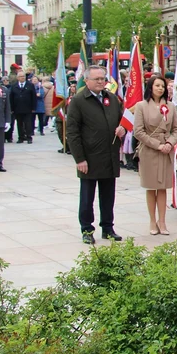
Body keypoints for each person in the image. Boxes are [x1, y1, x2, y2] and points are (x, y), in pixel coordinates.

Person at [66, 65, 126, 245]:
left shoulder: (112, 99)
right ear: (87, 81)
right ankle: (87, 229)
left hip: (109, 155)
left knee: (108, 196)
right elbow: (73, 132)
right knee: (87, 197)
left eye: (103, 78)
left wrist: (122, 129)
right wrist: (80, 159)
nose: (101, 82)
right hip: (89, 158)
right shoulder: (78, 101)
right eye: (97, 79)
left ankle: (108, 228)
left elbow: (120, 119)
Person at [134, 74, 177, 235]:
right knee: (151, 187)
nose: (160, 88)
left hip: (166, 151)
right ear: (150, 87)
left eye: (162, 86)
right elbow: (138, 132)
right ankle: (152, 222)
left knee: (163, 188)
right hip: (149, 150)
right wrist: (157, 145)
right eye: (157, 85)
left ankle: (162, 221)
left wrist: (169, 143)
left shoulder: (171, 106)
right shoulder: (141, 106)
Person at [9, 72, 36, 144]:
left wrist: (33, 107)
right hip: (17, 108)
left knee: (28, 123)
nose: (22, 78)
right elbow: (11, 97)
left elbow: (33, 97)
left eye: (23, 76)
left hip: (28, 108)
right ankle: (21, 137)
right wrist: (11, 109)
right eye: (20, 76)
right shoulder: (14, 86)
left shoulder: (30, 85)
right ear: (17, 78)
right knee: (19, 123)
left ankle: (29, 137)